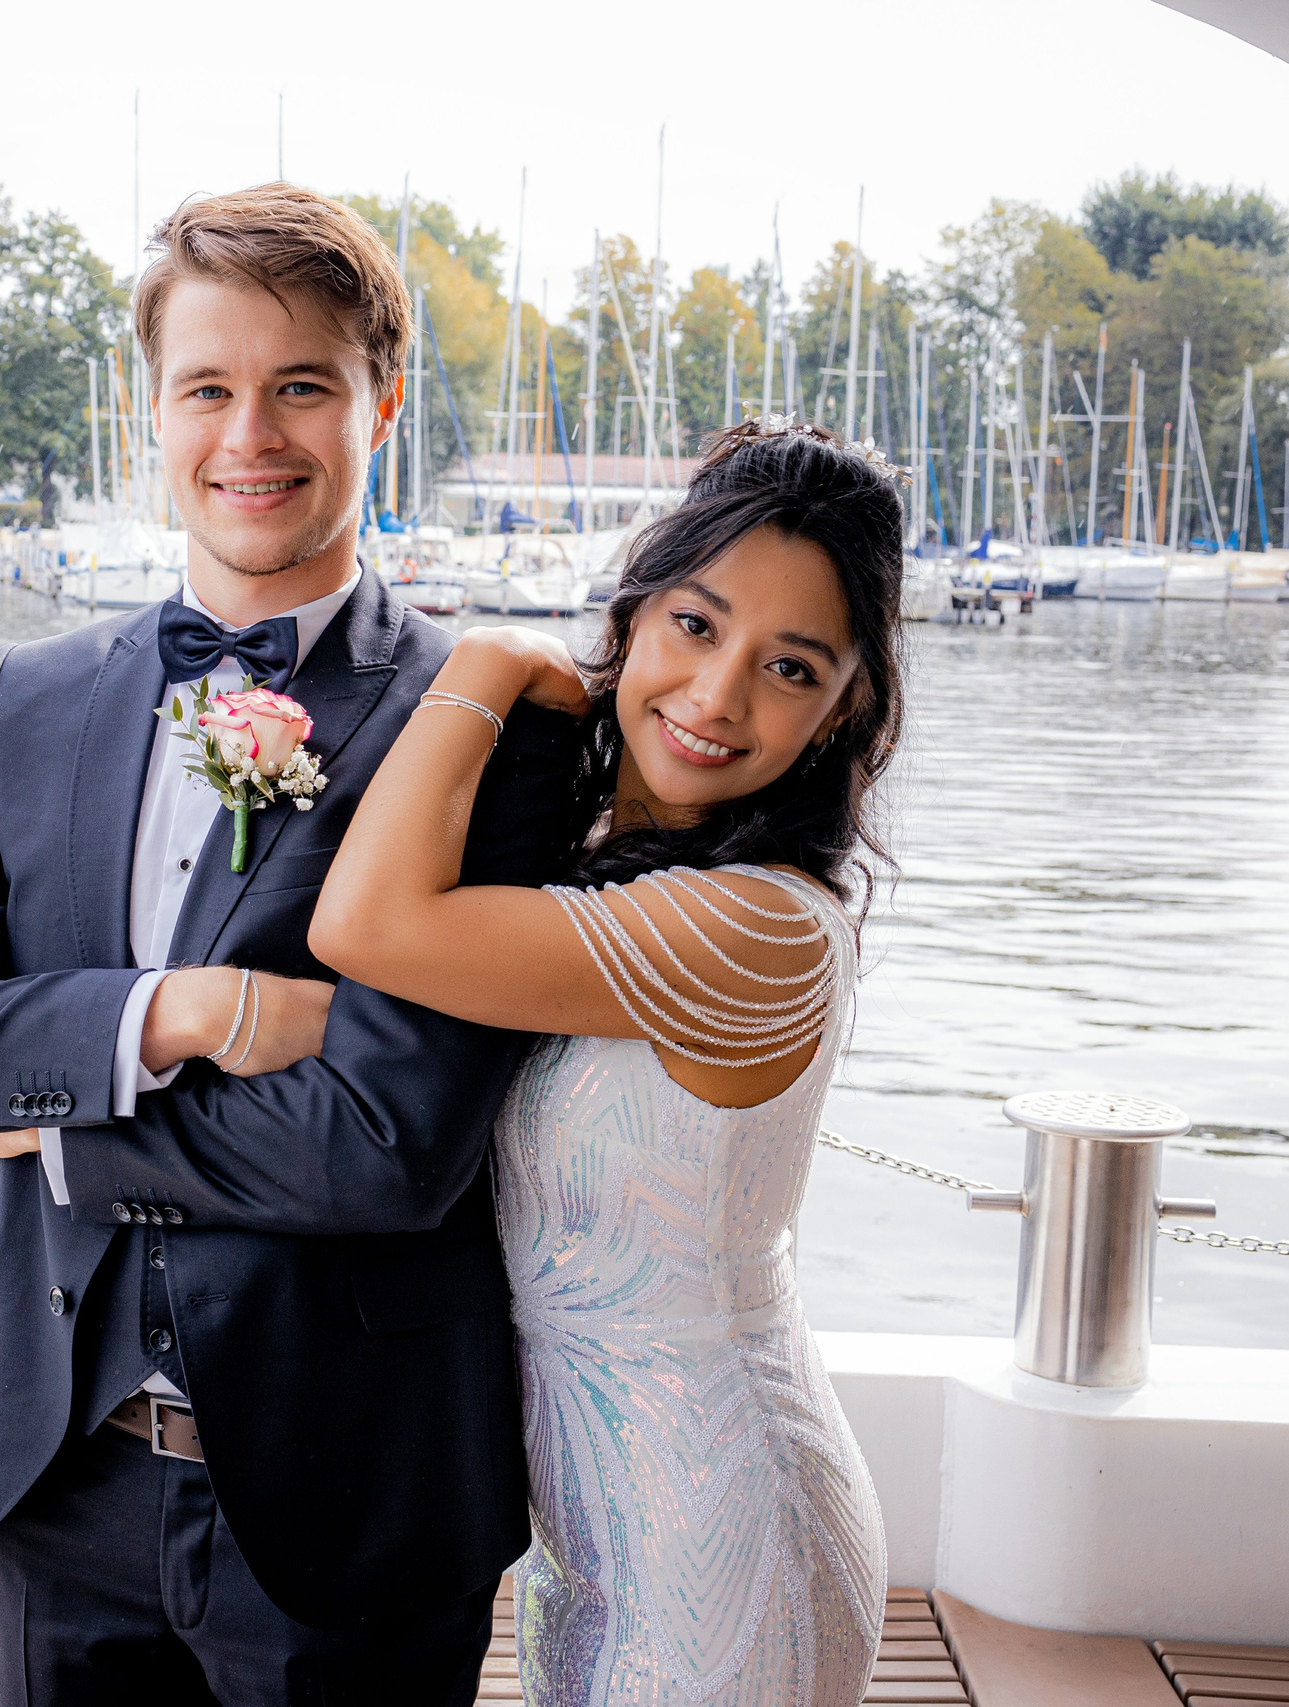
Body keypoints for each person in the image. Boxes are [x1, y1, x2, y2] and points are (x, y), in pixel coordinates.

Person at [0, 184, 582, 1706]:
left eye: (303, 385)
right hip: (58, 1477)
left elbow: (381, 1143)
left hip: (349, 1495)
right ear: (147, 409)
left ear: (384, 401)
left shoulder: (494, 732)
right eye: (210, 389)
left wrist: (48, 1132)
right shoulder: (19, 705)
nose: (253, 436)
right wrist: (180, 1011)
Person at [311, 418, 905, 1707]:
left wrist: (482, 662)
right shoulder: (616, 876)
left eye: (789, 667)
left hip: (715, 1528)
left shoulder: (751, 925)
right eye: (696, 626)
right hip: (594, 1523)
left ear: (844, 706)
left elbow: (366, 926)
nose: (717, 697)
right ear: (636, 614)